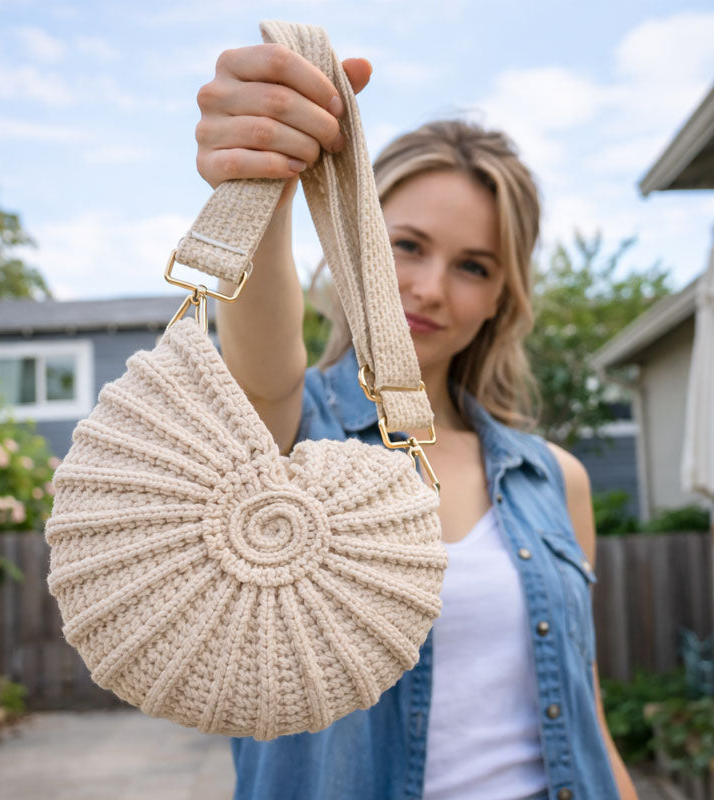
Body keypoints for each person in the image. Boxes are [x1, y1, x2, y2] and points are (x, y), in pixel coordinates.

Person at [195, 42, 637, 800]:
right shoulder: (286, 438)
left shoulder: (553, 479)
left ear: (503, 295)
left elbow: (585, 710)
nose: (431, 288)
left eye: (474, 266)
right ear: (351, 244)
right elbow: (261, 369)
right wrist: (261, 177)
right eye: (405, 246)